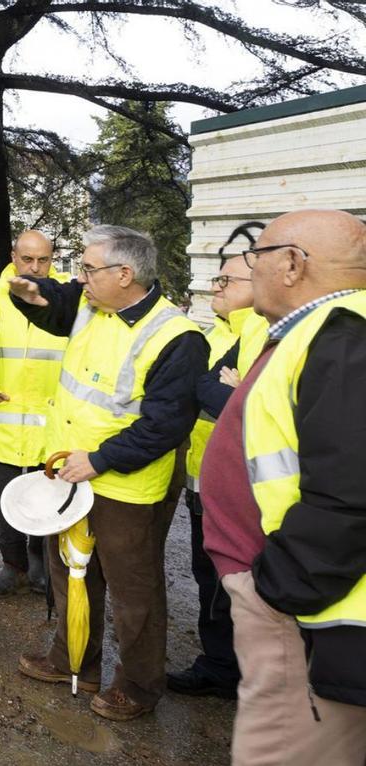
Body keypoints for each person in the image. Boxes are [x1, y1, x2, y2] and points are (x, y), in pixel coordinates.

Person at [200, 209, 366, 766]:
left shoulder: (341, 334)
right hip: (307, 604)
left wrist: (280, 587)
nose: (249, 269)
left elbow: (351, 490)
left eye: (256, 256)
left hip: (312, 614)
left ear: (293, 264)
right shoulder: (318, 331)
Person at [9, 225, 207, 721]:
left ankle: (139, 687)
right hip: (68, 476)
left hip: (125, 486)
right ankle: (72, 659)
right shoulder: (92, 304)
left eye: (89, 269)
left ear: (125, 274)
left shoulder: (176, 338)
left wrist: (99, 460)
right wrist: (27, 293)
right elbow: (54, 299)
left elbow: (165, 425)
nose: (79, 278)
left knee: (133, 589)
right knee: (70, 573)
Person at [167, 223, 269, 701]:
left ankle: (233, 670)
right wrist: (224, 387)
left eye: (226, 281)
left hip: (238, 487)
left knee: (233, 579)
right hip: (205, 476)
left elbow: (238, 406)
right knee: (208, 574)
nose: (215, 288)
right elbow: (203, 389)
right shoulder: (225, 333)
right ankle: (221, 664)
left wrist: (228, 391)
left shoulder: (263, 332)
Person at [0, 229, 69, 599]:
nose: (34, 267)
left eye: (42, 260)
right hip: (2, 419)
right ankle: (11, 569)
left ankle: (42, 568)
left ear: (52, 258)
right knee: (5, 499)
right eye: (27, 259)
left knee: (47, 500)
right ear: (13, 256)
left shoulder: (65, 299)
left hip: (52, 423)